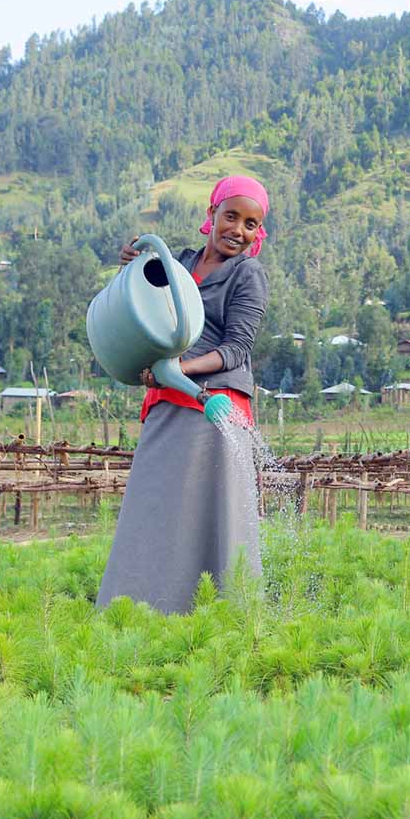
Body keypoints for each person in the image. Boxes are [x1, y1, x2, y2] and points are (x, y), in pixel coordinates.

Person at [97, 175, 270, 614]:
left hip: (213, 410)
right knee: (153, 507)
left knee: (211, 515)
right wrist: (130, 264)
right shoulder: (179, 263)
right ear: (210, 215)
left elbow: (235, 349)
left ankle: (219, 614)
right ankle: (137, 608)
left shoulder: (248, 274)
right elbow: (142, 308)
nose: (238, 230)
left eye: (251, 224)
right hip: (167, 400)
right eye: (231, 216)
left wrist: (180, 369)